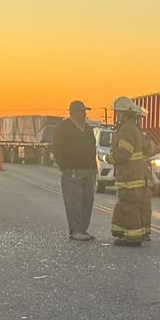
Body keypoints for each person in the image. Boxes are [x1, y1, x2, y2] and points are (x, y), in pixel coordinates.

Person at [106, 97, 158, 245]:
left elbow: (124, 153)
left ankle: (133, 238)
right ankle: (123, 231)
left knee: (130, 206)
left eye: (118, 113)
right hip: (133, 176)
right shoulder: (133, 129)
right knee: (127, 204)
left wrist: (108, 158)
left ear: (125, 114)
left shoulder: (127, 130)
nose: (117, 116)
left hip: (129, 177)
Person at [52, 100, 99, 241]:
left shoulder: (88, 129)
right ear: (72, 112)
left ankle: (83, 229)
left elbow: (92, 147)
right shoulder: (64, 127)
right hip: (72, 171)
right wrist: (64, 166)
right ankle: (75, 230)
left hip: (88, 170)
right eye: (81, 111)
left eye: (84, 111)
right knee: (74, 202)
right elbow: (56, 147)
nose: (84, 114)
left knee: (87, 201)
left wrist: (94, 168)